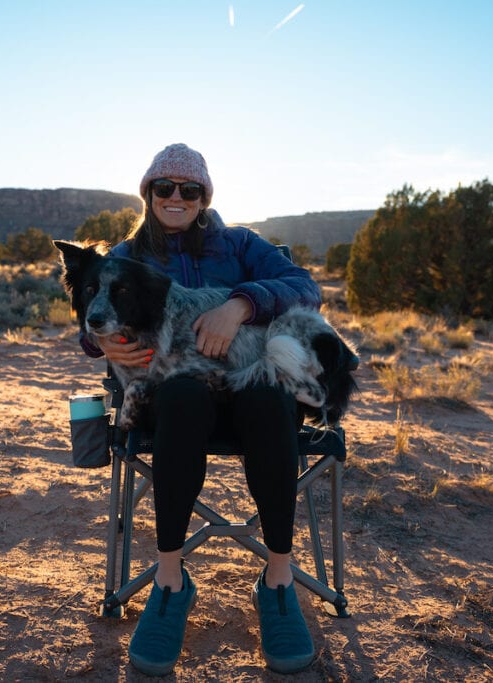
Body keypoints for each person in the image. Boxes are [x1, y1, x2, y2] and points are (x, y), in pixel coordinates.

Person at [79, 143, 321, 675]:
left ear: (204, 197)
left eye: (189, 190)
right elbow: (93, 307)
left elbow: (306, 287)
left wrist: (240, 305)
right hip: (172, 396)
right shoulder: (126, 254)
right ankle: (170, 581)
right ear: (147, 193)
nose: (175, 198)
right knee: (184, 396)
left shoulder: (240, 244)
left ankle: (278, 580)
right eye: (163, 187)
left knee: (268, 396)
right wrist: (101, 344)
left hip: (244, 382)